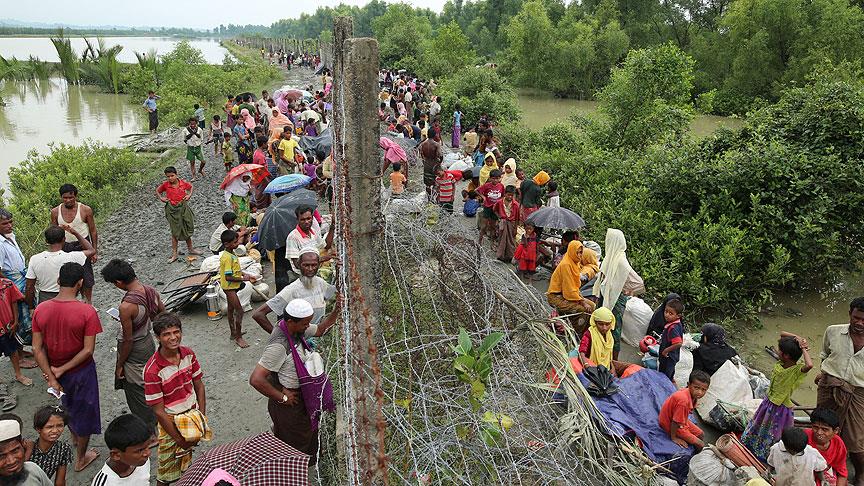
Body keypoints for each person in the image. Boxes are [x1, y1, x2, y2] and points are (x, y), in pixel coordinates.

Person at [31, 262, 102, 473]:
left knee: (66, 406)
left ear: (59, 281)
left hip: (53, 368)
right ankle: (81, 458)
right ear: (80, 283)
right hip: (81, 371)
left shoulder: (41, 309)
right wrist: (62, 370)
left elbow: (36, 348)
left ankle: (73, 438)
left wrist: (52, 376)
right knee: (85, 411)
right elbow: (87, 350)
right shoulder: (87, 312)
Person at [249, 299, 338, 464]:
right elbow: (256, 379)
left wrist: (337, 310)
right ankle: (294, 472)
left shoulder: (296, 330)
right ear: (290, 321)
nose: (308, 326)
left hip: (301, 398)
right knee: (293, 446)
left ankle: (305, 466)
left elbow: (320, 330)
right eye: (305, 323)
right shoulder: (279, 345)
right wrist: (282, 397)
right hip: (289, 404)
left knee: (305, 436)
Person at [144, 313, 209, 486]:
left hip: (191, 416)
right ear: (158, 337)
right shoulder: (152, 370)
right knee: (165, 472)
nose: (173, 337)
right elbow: (158, 411)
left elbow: (199, 385)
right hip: (170, 422)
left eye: (176, 332)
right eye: (166, 334)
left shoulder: (188, 354)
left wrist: (201, 417)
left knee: (185, 464)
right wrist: (178, 438)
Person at [100, 259, 162, 432]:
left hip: (134, 349)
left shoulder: (126, 306)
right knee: (150, 381)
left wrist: (119, 365)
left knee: (137, 391)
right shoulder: (150, 291)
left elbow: (128, 340)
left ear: (119, 282)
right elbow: (161, 314)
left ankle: (151, 431)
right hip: (148, 342)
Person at [741, 333, 813, 461]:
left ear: (786, 355)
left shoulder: (796, 371)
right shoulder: (780, 363)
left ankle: (767, 454)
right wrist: (799, 338)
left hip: (780, 408)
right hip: (768, 402)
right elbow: (782, 333)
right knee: (759, 424)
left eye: (780, 350)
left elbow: (809, 365)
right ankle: (753, 444)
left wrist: (803, 348)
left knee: (772, 432)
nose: (777, 351)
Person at [817, 297, 864, 486]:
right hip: (830, 386)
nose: (859, 323)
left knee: (855, 438)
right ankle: (821, 463)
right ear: (850, 314)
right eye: (856, 318)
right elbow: (825, 355)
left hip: (859, 392)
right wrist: (823, 375)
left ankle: (860, 474)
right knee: (822, 428)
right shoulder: (833, 331)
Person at [252, 251, 336, 334]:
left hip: (317, 337)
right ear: (299, 265)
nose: (310, 269)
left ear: (319, 265)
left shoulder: (320, 283)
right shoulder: (291, 290)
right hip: (301, 342)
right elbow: (258, 314)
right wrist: (281, 336)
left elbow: (335, 294)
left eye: (314, 265)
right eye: (306, 265)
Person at [592, 229, 644, 360]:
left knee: (613, 328)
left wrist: (624, 289)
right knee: (601, 324)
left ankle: (613, 360)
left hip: (616, 299)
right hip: (607, 296)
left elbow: (638, 283)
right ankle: (599, 354)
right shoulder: (611, 256)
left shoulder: (621, 261)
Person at [50, 184, 98, 304]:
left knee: (87, 276)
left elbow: (93, 230)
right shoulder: (55, 212)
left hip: (82, 244)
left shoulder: (85, 210)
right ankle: (72, 301)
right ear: (61, 197)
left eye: (71, 197)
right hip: (65, 245)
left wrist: (95, 250)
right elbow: (54, 233)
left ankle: (88, 302)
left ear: (75, 196)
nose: (68, 200)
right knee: (68, 274)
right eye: (65, 198)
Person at [25, 225, 94, 307]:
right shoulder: (72, 257)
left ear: (46, 241)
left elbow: (29, 287)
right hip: (67, 298)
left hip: (45, 301)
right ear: (64, 239)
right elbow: (91, 250)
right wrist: (75, 233)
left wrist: (31, 307)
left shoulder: (35, 259)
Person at [0, 209, 35, 356]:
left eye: (10, 222)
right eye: (4, 223)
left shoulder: (9, 237)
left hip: (20, 280)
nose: (9, 225)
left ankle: (21, 351)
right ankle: (19, 355)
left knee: (24, 315)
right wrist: (11, 287)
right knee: (17, 319)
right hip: (12, 285)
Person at [219, 230, 257, 349]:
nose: (237, 244)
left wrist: (246, 274)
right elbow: (228, 276)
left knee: (231, 309)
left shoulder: (231, 253)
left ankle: (233, 333)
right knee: (239, 310)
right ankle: (238, 337)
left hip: (232, 287)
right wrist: (243, 279)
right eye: (235, 242)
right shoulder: (227, 258)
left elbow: (236, 270)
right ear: (226, 244)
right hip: (229, 287)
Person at [91, 414, 152, 485]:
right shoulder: (105, 483)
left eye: (148, 446)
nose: (148, 453)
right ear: (116, 455)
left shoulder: (142, 460)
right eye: (139, 450)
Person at [156, 167, 201, 263]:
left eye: (172, 176)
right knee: (174, 231)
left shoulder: (183, 183)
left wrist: (189, 195)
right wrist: (161, 198)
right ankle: (175, 254)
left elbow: (191, 187)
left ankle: (190, 249)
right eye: (168, 176)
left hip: (183, 208)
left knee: (186, 227)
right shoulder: (165, 185)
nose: (170, 178)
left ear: (176, 174)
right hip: (172, 210)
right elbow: (158, 191)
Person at [546, 241, 597, 324]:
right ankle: (576, 331)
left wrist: (582, 299)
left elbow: (575, 288)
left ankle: (587, 332)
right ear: (572, 252)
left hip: (566, 295)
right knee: (583, 310)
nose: (580, 255)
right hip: (556, 297)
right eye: (577, 253)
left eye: (581, 252)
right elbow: (569, 291)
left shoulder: (575, 263)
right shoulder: (566, 265)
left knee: (592, 306)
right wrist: (583, 302)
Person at [658, 370, 710, 451]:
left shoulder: (692, 395)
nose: (699, 392)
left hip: (681, 421)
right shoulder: (683, 402)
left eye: (703, 390)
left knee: (701, 434)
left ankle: (694, 446)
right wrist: (674, 438)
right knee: (700, 444)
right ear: (688, 385)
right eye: (696, 388)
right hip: (669, 423)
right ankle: (695, 456)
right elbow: (675, 422)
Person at [285, 206, 333, 283]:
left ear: (312, 218)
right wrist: (322, 259)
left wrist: (333, 226)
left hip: (314, 273)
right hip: (301, 277)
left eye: (308, 218)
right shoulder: (293, 237)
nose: (306, 222)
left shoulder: (313, 232)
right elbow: (297, 264)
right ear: (297, 220)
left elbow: (326, 245)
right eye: (303, 219)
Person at [28, 405, 73, 484]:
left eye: (60, 425)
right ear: (38, 429)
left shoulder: (64, 449)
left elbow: (60, 482)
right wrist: (28, 451)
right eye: (49, 427)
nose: (55, 431)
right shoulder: (28, 448)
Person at [0, 417, 52, 485]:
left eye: (15, 451)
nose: (11, 461)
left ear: (23, 445)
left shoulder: (33, 470)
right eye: (1, 456)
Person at [806, 408, 848, 486]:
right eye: (815, 427)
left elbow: (842, 472)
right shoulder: (803, 437)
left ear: (836, 431)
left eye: (824, 429)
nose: (819, 432)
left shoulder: (838, 443)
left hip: (824, 475)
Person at [0, 273, 29, 387]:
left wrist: (16, 321)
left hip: (8, 326)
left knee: (13, 350)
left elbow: (14, 301)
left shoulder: (7, 284)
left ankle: (19, 375)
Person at [658, 299, 685, 382]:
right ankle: (670, 379)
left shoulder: (673, 328)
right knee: (669, 371)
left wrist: (666, 350)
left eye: (671, 313)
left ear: (678, 316)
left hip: (669, 356)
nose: (667, 315)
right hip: (671, 355)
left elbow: (678, 343)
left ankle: (665, 385)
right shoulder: (676, 323)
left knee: (665, 374)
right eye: (666, 311)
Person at [476, 169, 504, 246]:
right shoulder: (487, 185)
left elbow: (502, 196)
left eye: (498, 178)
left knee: (493, 226)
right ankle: (479, 242)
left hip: (495, 209)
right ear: (490, 178)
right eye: (494, 178)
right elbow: (477, 190)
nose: (496, 180)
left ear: (500, 178)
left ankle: (492, 243)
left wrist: (500, 202)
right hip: (487, 207)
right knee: (484, 226)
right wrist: (483, 197)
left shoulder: (501, 186)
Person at [494, 186, 520, 262]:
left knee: (511, 240)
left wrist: (515, 228)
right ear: (505, 194)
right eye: (508, 195)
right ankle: (500, 255)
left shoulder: (516, 205)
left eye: (512, 195)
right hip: (503, 222)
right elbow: (495, 210)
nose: (510, 197)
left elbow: (517, 218)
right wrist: (499, 217)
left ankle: (510, 256)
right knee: (501, 238)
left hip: (511, 224)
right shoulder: (499, 202)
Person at [419, 132, 443, 200]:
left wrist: (424, 161)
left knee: (427, 183)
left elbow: (421, 154)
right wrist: (439, 163)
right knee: (436, 182)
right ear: (434, 135)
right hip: (434, 164)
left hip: (426, 163)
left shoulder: (423, 144)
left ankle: (429, 198)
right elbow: (440, 155)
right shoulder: (436, 144)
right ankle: (434, 198)